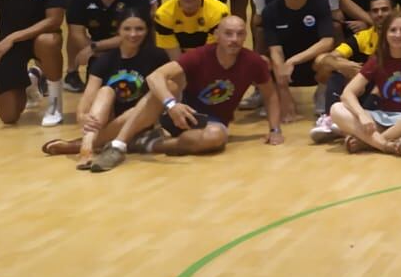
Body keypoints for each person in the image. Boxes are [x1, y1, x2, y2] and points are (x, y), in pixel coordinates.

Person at [89, 15, 280, 171]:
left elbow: (270, 95)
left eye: (239, 34)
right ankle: (117, 146)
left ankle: (146, 144)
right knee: (167, 87)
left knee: (216, 138)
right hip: (177, 112)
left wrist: (275, 130)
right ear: (217, 35)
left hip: (211, 122)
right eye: (228, 34)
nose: (234, 40)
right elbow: (155, 77)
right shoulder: (200, 55)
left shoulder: (254, 62)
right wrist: (171, 105)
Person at [43, 9, 171, 169]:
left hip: (142, 120)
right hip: (108, 120)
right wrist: (82, 116)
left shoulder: (157, 56)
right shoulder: (106, 59)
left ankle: (78, 145)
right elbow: (88, 97)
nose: (133, 34)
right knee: (105, 91)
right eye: (127, 29)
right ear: (118, 31)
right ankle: (87, 147)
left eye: (139, 29)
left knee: (136, 110)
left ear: (147, 31)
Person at [330, 8, 401, 156]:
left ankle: (368, 142)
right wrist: (361, 114)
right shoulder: (378, 58)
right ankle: (384, 145)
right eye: (393, 30)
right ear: (385, 34)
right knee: (336, 109)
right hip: (383, 117)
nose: (398, 35)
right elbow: (347, 93)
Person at [311, 0, 398, 144]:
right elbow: (322, 60)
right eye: (375, 11)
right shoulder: (363, 37)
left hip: (392, 90)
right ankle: (331, 120)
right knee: (335, 71)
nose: (380, 14)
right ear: (369, 14)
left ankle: (348, 128)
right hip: (365, 88)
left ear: (394, 11)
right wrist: (342, 65)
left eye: (384, 10)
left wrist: (364, 74)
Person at [261, 0, 335, 123]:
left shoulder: (320, 4)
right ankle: (272, 97)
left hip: (311, 65)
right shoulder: (271, 10)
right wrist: (282, 81)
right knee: (264, 62)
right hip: (287, 70)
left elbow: (327, 41)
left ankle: (322, 95)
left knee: (327, 60)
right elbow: (275, 49)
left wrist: (293, 60)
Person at [65, 0, 152, 83]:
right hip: (98, 56)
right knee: (95, 96)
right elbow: (76, 34)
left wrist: (94, 47)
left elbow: (133, 35)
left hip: (133, 53)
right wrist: (97, 53)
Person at [153, 0, 230, 57]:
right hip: (180, 64)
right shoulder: (163, 15)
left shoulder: (218, 11)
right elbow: (175, 59)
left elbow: (211, 55)